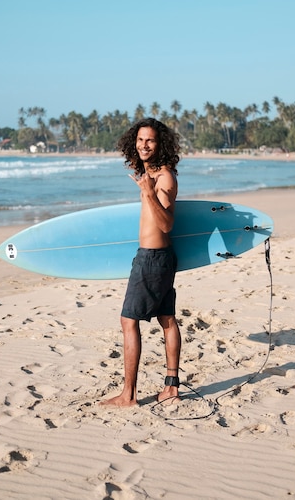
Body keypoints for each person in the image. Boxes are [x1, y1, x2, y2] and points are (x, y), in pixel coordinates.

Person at [100, 117, 181, 407]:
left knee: (128, 320)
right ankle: (171, 387)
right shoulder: (152, 174)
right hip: (155, 257)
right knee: (166, 319)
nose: (143, 145)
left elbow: (166, 224)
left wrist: (148, 192)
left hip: (153, 258)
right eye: (140, 140)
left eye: (150, 140)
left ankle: (129, 395)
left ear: (160, 144)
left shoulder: (164, 178)